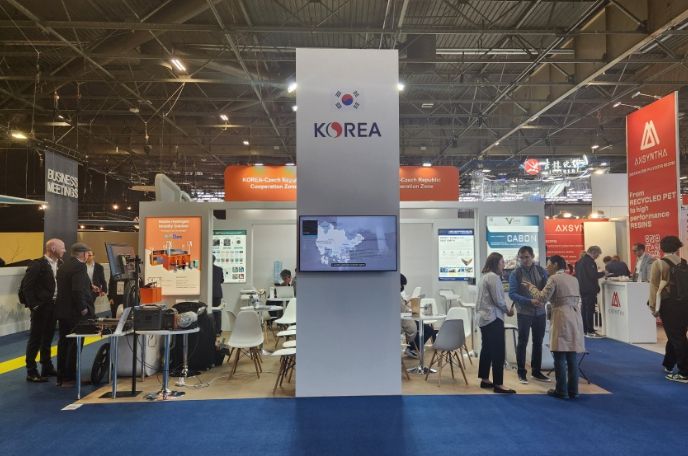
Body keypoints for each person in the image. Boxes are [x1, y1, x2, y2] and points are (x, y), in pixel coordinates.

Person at [524, 255, 585, 399]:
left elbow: (542, 297)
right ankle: (573, 390)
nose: (547, 267)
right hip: (575, 317)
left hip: (561, 316)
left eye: (549, 264)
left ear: (556, 265)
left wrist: (531, 287)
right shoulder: (573, 279)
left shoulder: (554, 279)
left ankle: (561, 390)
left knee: (559, 354)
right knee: (571, 355)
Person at [22, 238, 65, 382]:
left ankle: (46, 366)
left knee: (48, 338)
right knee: (36, 339)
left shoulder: (61, 264)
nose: (64, 250)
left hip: (54, 306)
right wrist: (34, 306)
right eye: (62, 247)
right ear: (53, 248)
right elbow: (27, 287)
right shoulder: (37, 265)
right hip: (41, 307)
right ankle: (31, 371)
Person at [648, 236, 688, 383]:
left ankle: (684, 372)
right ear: (678, 247)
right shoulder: (683, 262)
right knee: (677, 334)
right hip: (684, 303)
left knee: (677, 337)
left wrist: (653, 307)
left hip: (669, 304)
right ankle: (669, 363)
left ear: (662, 247)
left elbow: (654, 286)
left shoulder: (659, 264)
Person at [508, 246, 550, 384]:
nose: (524, 260)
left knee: (538, 342)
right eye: (521, 257)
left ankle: (536, 371)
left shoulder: (541, 271)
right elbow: (512, 294)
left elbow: (548, 290)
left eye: (526, 257)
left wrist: (543, 301)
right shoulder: (516, 273)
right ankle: (521, 372)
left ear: (532, 256)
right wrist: (529, 301)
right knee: (522, 342)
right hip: (524, 312)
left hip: (540, 312)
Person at [477, 252, 516, 394]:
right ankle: (498, 384)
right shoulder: (494, 278)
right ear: (496, 263)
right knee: (498, 351)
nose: (504, 265)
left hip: (484, 318)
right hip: (493, 318)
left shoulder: (484, 277)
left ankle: (485, 379)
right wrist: (508, 311)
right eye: (502, 262)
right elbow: (498, 300)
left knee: (487, 349)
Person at [55, 242, 93, 387]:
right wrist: (83, 308)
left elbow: (68, 286)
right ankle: (70, 377)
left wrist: (90, 287)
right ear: (83, 254)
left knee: (63, 343)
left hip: (63, 311)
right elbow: (77, 290)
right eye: (88, 253)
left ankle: (61, 377)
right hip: (75, 313)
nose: (88, 256)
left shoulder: (64, 265)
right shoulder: (80, 266)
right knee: (75, 344)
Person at [400, 273, 435, 358]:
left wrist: (406, 303)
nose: (402, 287)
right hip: (404, 322)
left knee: (428, 329)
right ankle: (412, 348)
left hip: (406, 320)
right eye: (402, 284)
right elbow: (402, 310)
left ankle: (412, 348)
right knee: (428, 329)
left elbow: (403, 308)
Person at [575, 246, 605, 337]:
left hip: (582, 288)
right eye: (598, 254)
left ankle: (584, 329)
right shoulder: (590, 262)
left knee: (584, 309)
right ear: (593, 252)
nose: (598, 256)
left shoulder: (579, 262)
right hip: (589, 289)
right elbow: (593, 275)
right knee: (589, 310)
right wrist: (604, 273)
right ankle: (590, 330)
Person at [86, 250, 107, 316]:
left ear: (93, 256)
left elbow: (102, 279)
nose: (88, 257)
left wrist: (104, 290)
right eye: (87, 255)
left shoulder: (99, 267)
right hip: (85, 289)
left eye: (90, 255)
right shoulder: (82, 266)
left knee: (91, 305)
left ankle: (91, 317)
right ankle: (89, 317)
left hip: (95, 290)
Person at [212, 255, 224, 334]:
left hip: (208, 293)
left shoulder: (205, 269)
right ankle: (218, 331)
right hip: (217, 293)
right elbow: (221, 280)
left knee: (208, 312)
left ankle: (210, 331)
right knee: (217, 312)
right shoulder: (219, 269)